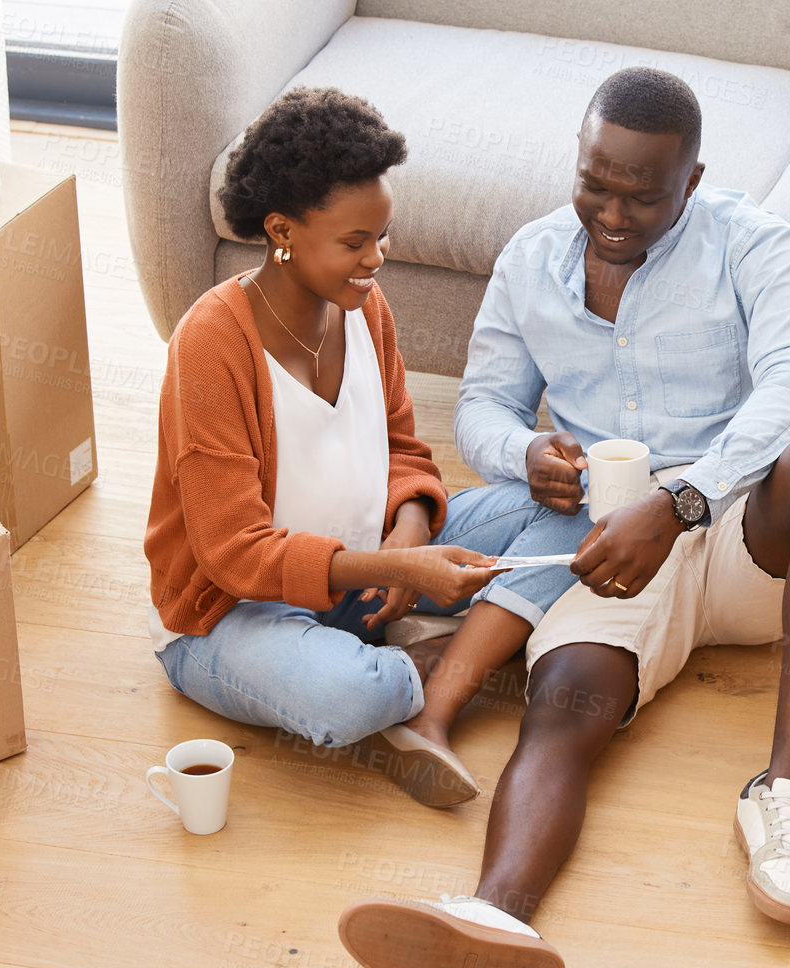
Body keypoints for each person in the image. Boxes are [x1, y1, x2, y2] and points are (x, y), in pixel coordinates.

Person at [336, 68, 790, 968]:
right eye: (596, 183)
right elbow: (484, 407)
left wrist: (680, 505)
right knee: (565, 707)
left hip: (740, 529)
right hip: (612, 545)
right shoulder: (532, 257)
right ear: (577, 160)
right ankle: (496, 920)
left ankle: (782, 789)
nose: (612, 213)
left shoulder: (758, 247)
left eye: (644, 193)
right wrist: (525, 450)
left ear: (693, 181)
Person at [145, 87, 591, 807]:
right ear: (282, 231)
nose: (376, 259)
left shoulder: (363, 306)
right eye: (355, 243)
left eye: (381, 237)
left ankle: (426, 660)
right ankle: (454, 659)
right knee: (342, 697)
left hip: (371, 554)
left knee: (579, 504)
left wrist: (411, 530)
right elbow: (231, 550)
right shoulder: (210, 345)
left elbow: (403, 449)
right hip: (234, 611)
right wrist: (395, 564)